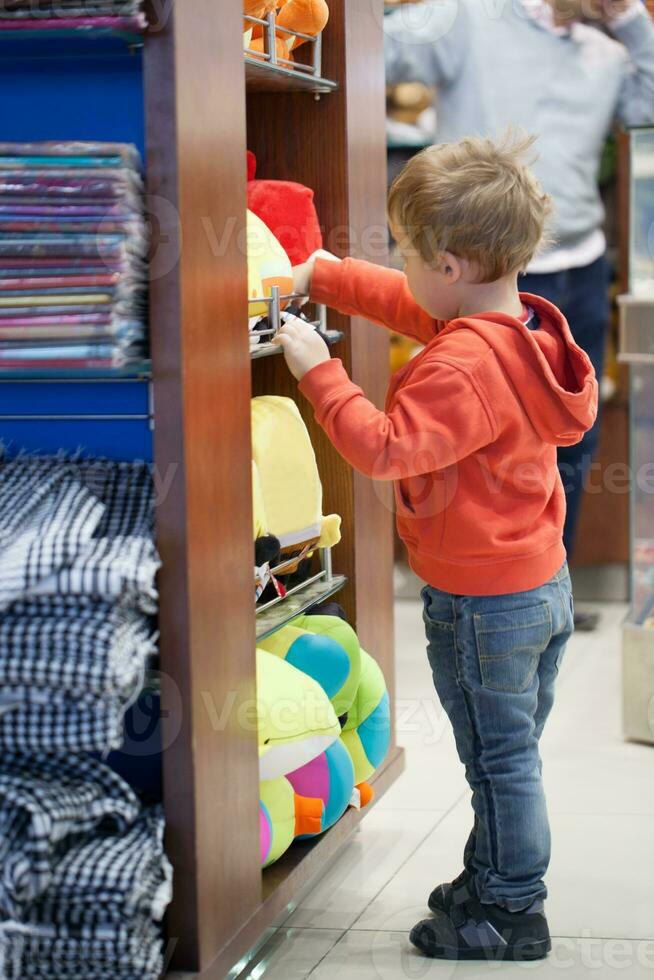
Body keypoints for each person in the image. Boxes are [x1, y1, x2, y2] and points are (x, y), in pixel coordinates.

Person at [272, 134, 597, 960]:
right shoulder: (513, 332)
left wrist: (319, 372)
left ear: (450, 263)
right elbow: (412, 308)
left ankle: (512, 910)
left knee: (500, 762)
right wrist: (330, 274)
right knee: (506, 752)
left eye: (409, 254)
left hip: (484, 604)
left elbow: (384, 448)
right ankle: (491, 876)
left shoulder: (463, 368)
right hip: (537, 583)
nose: (406, 269)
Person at [384, 0, 654, 630]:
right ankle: (478, 594)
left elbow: (648, 112)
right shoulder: (471, 19)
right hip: (475, 272)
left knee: (568, 437)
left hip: (579, 265)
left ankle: (547, 584)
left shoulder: (611, 52)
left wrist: (633, 23)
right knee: (478, 436)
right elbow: (374, 51)